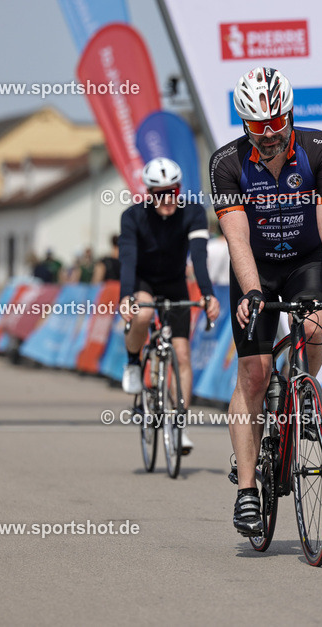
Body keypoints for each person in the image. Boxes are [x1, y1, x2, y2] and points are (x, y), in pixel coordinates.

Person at [210, 66, 322, 536]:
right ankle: (246, 490)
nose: (269, 135)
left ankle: (299, 388)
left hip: (306, 261)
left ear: (291, 115)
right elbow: (237, 238)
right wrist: (252, 291)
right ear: (245, 124)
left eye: (276, 123)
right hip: (255, 268)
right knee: (254, 375)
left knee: (314, 329)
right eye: (258, 126)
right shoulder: (227, 163)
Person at [118, 157, 220, 455]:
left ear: (179, 189)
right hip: (144, 281)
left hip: (175, 282)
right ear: (149, 193)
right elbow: (127, 260)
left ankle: (180, 424)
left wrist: (208, 294)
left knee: (182, 354)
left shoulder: (193, 212)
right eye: (160, 194)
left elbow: (199, 257)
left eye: (172, 192)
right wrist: (126, 295)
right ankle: (133, 361)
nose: (167, 200)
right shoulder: (133, 216)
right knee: (143, 314)